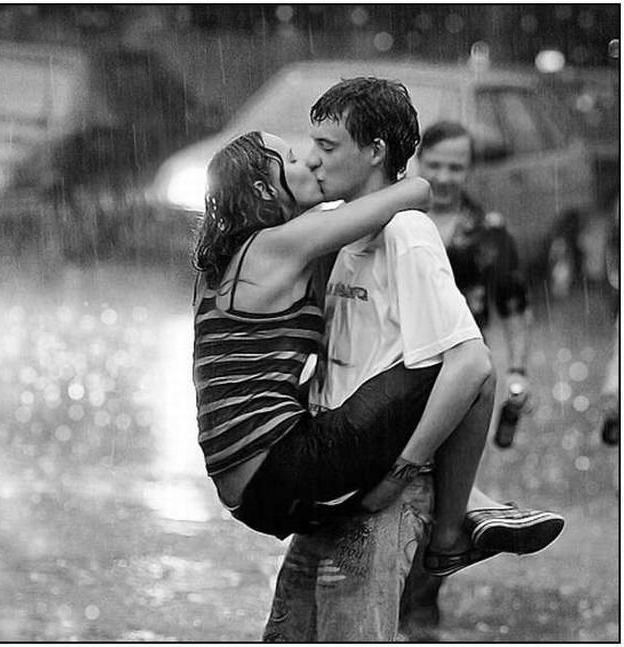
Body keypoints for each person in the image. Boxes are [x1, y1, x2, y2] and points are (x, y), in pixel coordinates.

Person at [263, 78, 564, 642]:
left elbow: (472, 365)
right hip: (336, 478)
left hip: (381, 489)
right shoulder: (344, 227)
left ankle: (458, 519)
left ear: (376, 151)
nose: (313, 159)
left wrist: (401, 471)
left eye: (327, 146)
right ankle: (467, 514)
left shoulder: (408, 232)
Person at [192, 128, 509, 565]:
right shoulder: (278, 245)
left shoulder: (225, 261)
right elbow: (416, 191)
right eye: (293, 160)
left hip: (245, 489)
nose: (310, 161)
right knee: (466, 364)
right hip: (279, 470)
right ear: (265, 189)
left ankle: (466, 494)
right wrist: (359, 176)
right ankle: (451, 534)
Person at [399, 120, 535, 634]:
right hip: (396, 372)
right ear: (417, 162)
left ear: (470, 169)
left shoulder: (490, 232)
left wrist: (518, 371)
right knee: (397, 483)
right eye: (434, 164)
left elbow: (514, 307)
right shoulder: (396, 217)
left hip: (461, 380)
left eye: (455, 167)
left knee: (446, 492)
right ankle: (394, 597)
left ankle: (422, 604)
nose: (444, 176)